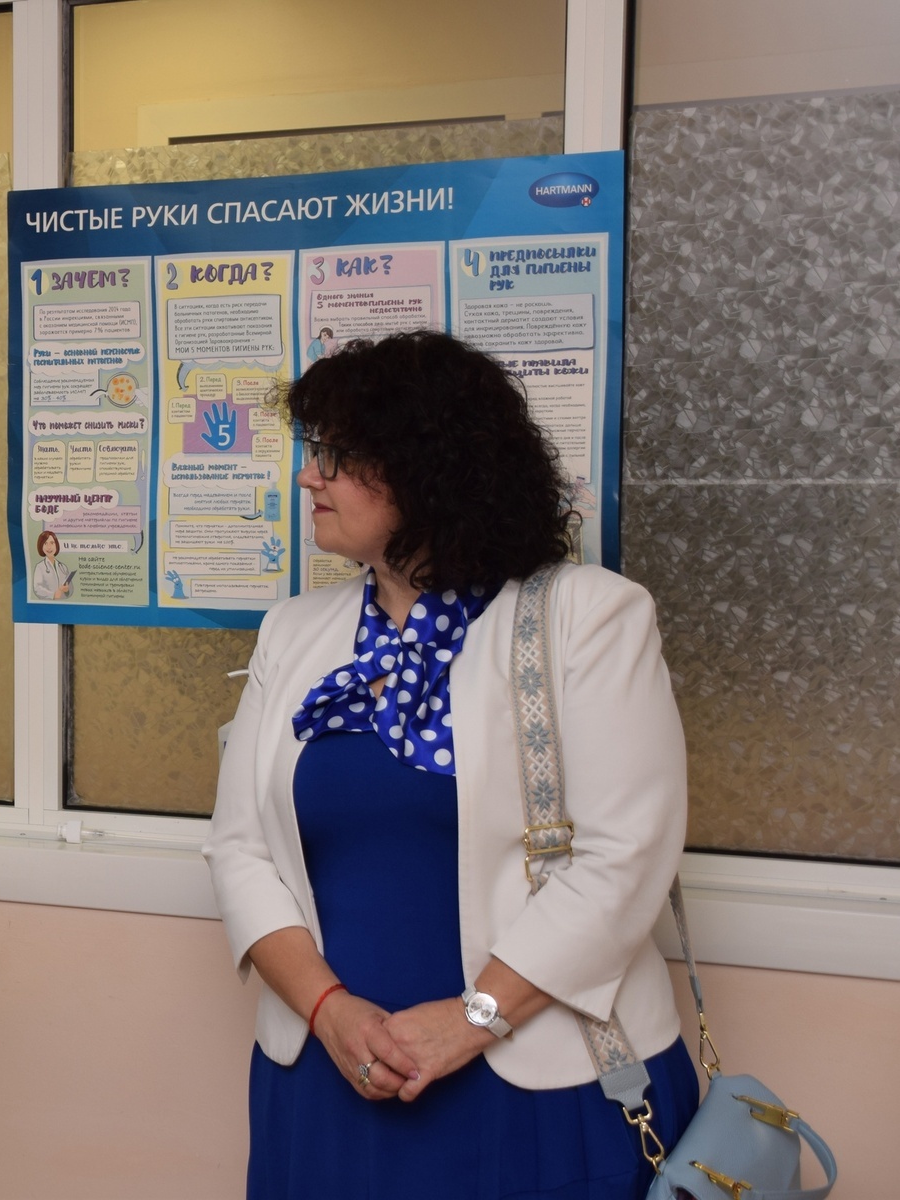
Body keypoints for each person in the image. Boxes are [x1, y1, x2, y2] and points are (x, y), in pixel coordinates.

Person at [203, 330, 698, 1198]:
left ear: (429, 469)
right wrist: (327, 1011)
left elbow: (625, 857)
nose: (308, 477)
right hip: (329, 1074)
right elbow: (239, 849)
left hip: (540, 1083)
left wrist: (472, 1019)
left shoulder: (583, 617)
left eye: (338, 456)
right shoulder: (294, 632)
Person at [32, 529, 73, 599]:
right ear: (41, 546)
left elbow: (70, 587)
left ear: (56, 545)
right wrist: (53, 595)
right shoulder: (40, 567)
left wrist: (67, 590)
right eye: (45, 543)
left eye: (52, 543)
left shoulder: (63, 567)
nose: (49, 547)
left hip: (63, 602)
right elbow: (37, 588)